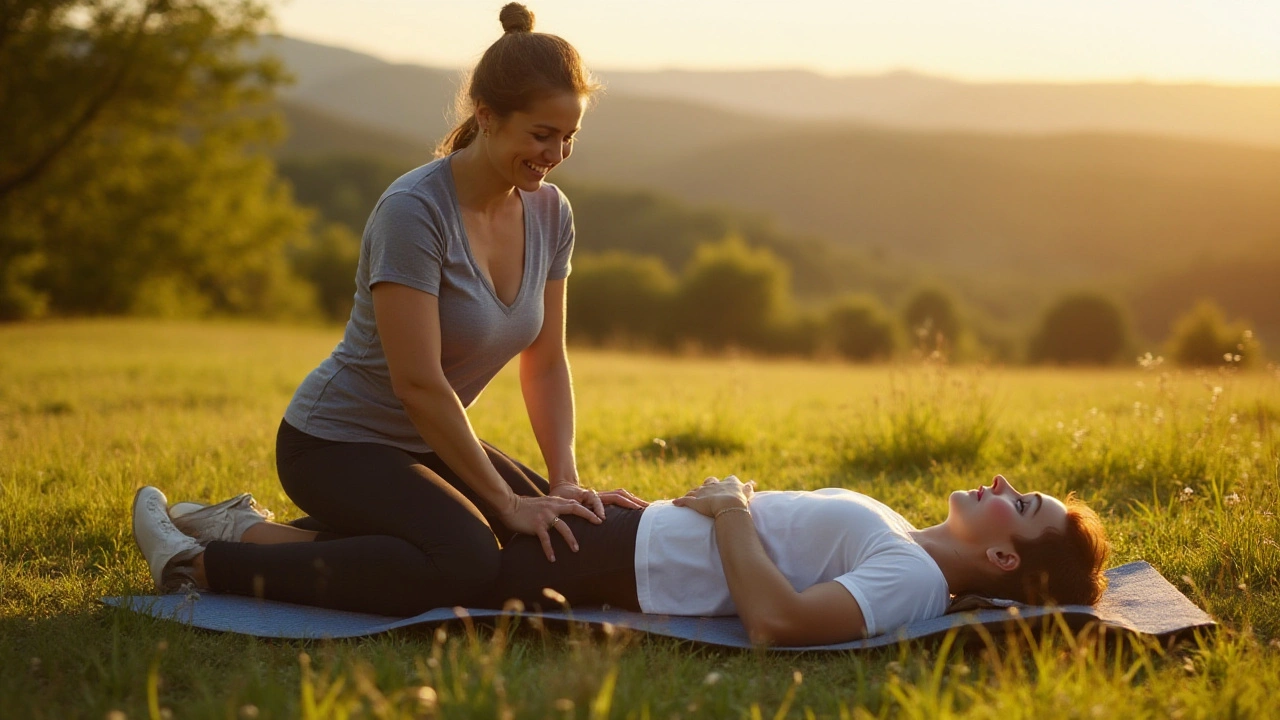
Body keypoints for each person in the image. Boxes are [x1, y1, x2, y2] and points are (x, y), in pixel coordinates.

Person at [129, 3, 645, 618]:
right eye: (541, 134)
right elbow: (418, 383)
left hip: (425, 445)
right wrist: (504, 505)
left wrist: (564, 480)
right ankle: (195, 561)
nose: (556, 153)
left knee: (564, 541)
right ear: (485, 115)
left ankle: (242, 528)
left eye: (569, 136)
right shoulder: (414, 211)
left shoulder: (550, 212)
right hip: (333, 443)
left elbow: (546, 361)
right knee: (467, 559)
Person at [487, 474, 1111, 646]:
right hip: (627, 528)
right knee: (435, 445)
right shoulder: (908, 542)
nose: (1001, 481)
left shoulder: (915, 579)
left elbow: (775, 622)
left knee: (452, 542)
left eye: (1021, 502)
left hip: (614, 558)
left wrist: (731, 507)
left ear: (1004, 557)